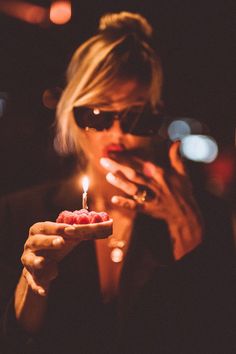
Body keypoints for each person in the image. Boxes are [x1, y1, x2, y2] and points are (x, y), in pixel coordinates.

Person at [0, 11, 235, 354]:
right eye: (97, 113)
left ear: (156, 114)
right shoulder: (17, 213)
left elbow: (214, 334)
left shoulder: (205, 213)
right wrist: (32, 282)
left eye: (136, 115)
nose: (118, 133)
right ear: (71, 114)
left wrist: (189, 238)